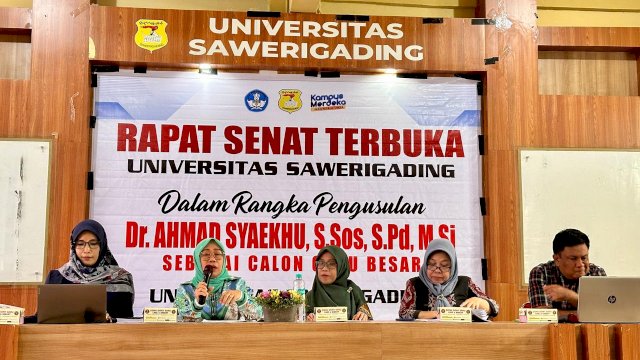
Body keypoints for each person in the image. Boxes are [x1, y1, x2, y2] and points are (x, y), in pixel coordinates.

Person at [45, 219, 135, 318]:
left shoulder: (120, 279)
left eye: (93, 243)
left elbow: (126, 322)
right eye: (80, 244)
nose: (87, 250)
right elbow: (43, 319)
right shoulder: (57, 278)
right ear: (73, 246)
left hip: (108, 333)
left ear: (102, 245)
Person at [398, 239, 499, 320]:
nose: (437, 270)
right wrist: (434, 314)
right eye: (432, 264)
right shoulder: (414, 284)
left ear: (453, 267)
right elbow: (403, 312)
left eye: (444, 265)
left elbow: (495, 308)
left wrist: (482, 302)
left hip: (460, 338)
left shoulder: (464, 283)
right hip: (424, 338)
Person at [174, 238, 262, 321]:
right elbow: (176, 323)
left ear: (224, 260)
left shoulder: (238, 284)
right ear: (197, 260)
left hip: (231, 336)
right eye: (206, 254)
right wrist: (197, 304)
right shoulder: (185, 290)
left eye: (217, 254)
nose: (212, 259)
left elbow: (259, 316)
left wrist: (242, 298)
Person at [528, 228, 606, 311]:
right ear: (557, 259)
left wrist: (569, 295)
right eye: (573, 258)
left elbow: (603, 311)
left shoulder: (596, 273)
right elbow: (542, 315)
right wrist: (582, 313)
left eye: (584, 258)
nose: (580, 264)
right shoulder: (541, 272)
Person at [306, 245, 372, 321]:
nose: (324, 268)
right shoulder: (310, 296)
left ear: (342, 267)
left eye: (331, 264)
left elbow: (367, 317)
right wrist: (307, 319)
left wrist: (363, 315)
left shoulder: (353, 291)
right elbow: (298, 324)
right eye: (321, 263)